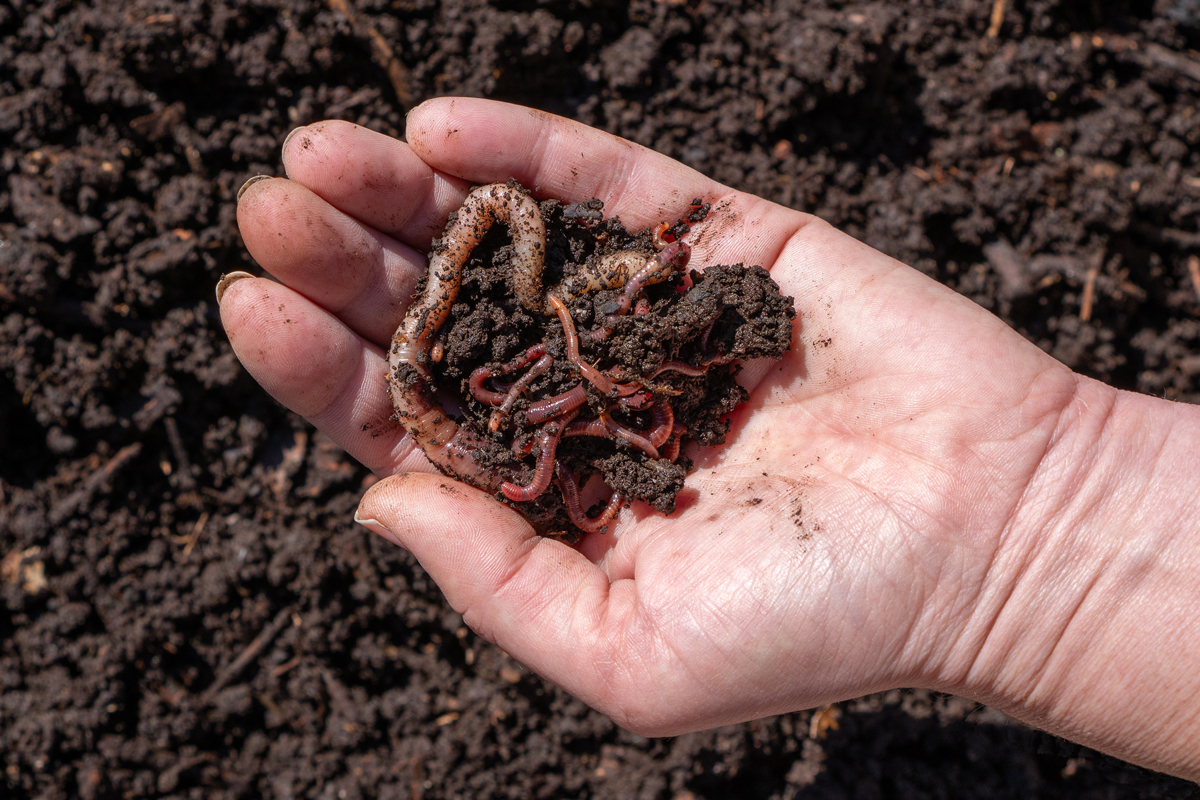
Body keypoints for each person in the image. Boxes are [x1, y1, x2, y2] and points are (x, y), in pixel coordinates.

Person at [219, 97, 1200, 781]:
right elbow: (503, 336)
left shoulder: (595, 335)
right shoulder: (476, 351)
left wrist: (1051, 514)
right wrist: (1059, 509)